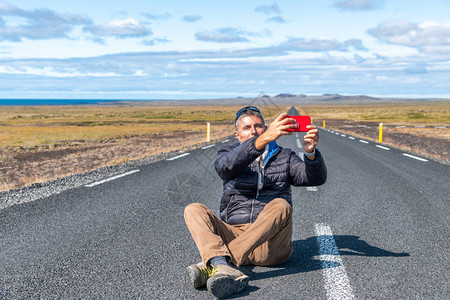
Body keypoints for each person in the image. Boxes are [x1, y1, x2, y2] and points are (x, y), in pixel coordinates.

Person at [184, 106, 327, 299]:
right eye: (247, 127)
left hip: (270, 245)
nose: (253, 131)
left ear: (267, 127)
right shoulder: (228, 153)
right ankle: (222, 265)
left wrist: (310, 154)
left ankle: (218, 264)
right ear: (237, 134)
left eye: (259, 126)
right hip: (233, 233)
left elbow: (313, 179)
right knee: (193, 209)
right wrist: (261, 141)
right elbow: (225, 168)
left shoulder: (285, 157)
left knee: (281, 205)